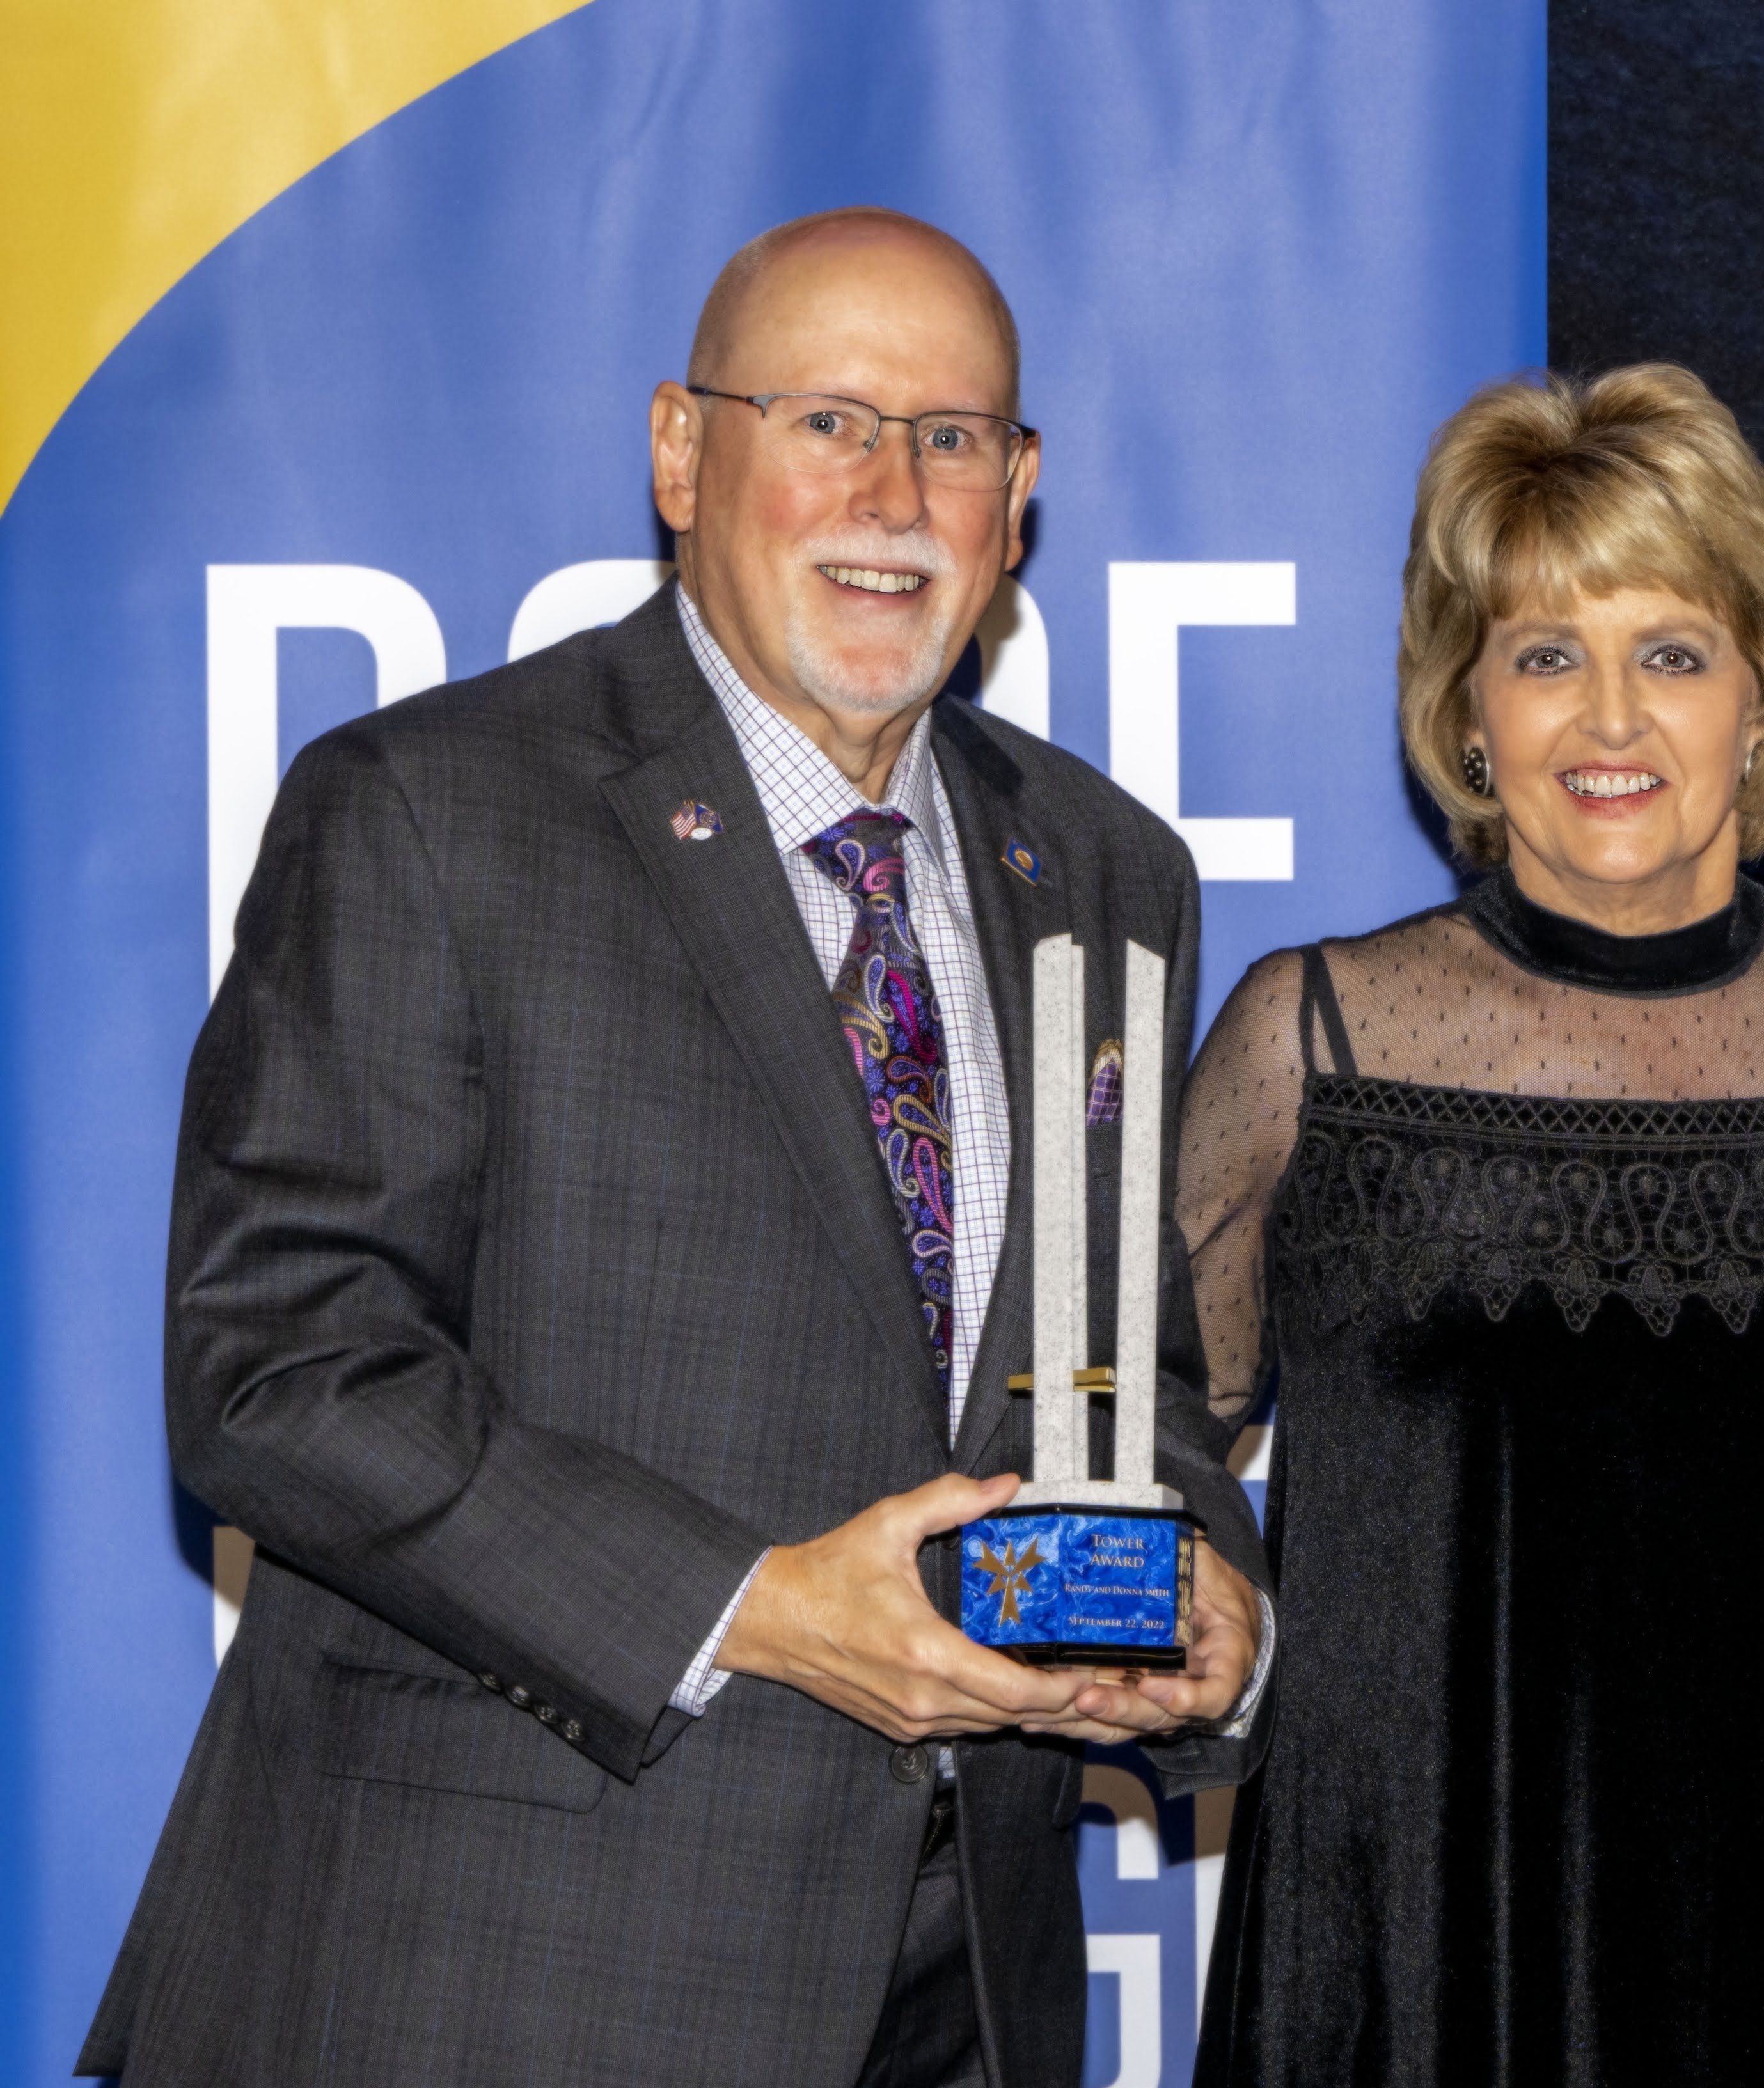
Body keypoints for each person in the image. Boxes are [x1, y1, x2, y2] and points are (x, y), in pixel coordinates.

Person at [81, 208, 1268, 2087]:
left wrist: (1203, 1603)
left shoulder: (1109, 870)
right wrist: (763, 1606)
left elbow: (1115, 1370)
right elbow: (277, 1370)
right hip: (504, 1989)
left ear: (1018, 495)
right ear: (679, 449)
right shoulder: (428, 810)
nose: (893, 491)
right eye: (827, 421)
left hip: (967, 2007)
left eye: (953, 437)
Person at [1181, 363, 1764, 2088]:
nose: (1611, 721)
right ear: (1467, 713)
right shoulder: (1308, 1043)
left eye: (1674, 653)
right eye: (1547, 654)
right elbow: (1127, 1456)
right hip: (1407, 1962)